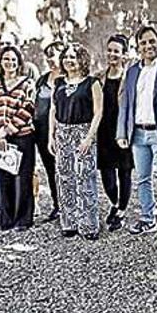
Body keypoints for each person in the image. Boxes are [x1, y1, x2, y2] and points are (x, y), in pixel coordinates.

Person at [116, 26, 157, 240]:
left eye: (152, 41)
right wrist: (121, 132)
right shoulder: (133, 70)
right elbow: (125, 102)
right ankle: (147, 217)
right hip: (138, 133)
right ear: (138, 46)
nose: (148, 46)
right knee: (143, 178)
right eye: (143, 43)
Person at [49, 43, 104, 240]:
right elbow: (53, 110)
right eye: (66, 57)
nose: (68, 61)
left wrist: (89, 137)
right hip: (62, 132)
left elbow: (98, 112)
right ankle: (69, 222)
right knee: (64, 178)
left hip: (83, 132)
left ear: (82, 59)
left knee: (85, 178)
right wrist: (51, 136)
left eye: (73, 57)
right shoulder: (58, 83)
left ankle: (89, 225)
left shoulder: (92, 83)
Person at [0, 46, 37, 231]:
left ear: (19, 63)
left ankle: (24, 219)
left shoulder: (27, 83)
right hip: (0, 138)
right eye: (6, 59)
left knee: (23, 178)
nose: (10, 63)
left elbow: (28, 109)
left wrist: (7, 130)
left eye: (14, 60)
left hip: (23, 136)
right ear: (0, 62)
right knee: (4, 178)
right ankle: (6, 220)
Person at [97, 34, 134, 232]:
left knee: (124, 172)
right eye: (110, 50)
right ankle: (114, 202)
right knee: (106, 175)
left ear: (123, 54)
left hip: (122, 131)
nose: (112, 54)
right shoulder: (99, 77)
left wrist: (128, 65)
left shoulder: (129, 77)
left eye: (116, 51)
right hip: (103, 133)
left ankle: (120, 211)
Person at [34, 41, 64, 222]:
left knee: (66, 170)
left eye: (55, 55)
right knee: (51, 170)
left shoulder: (70, 79)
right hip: (42, 133)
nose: (51, 59)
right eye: (49, 55)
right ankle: (57, 205)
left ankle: (72, 206)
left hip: (63, 132)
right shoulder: (42, 80)